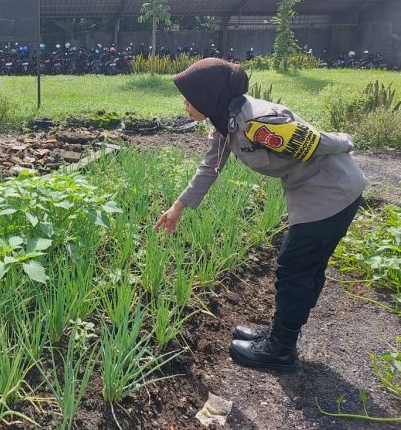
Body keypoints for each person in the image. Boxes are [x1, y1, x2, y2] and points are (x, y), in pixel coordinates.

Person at [154, 58, 365, 372]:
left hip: (330, 191)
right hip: (312, 191)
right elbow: (209, 168)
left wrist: (347, 139)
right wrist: (177, 207)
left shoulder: (258, 123)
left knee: (295, 268)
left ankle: (280, 349)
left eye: (190, 96)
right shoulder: (226, 120)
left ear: (208, 95)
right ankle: (280, 333)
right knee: (300, 267)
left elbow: (316, 140)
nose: (185, 103)